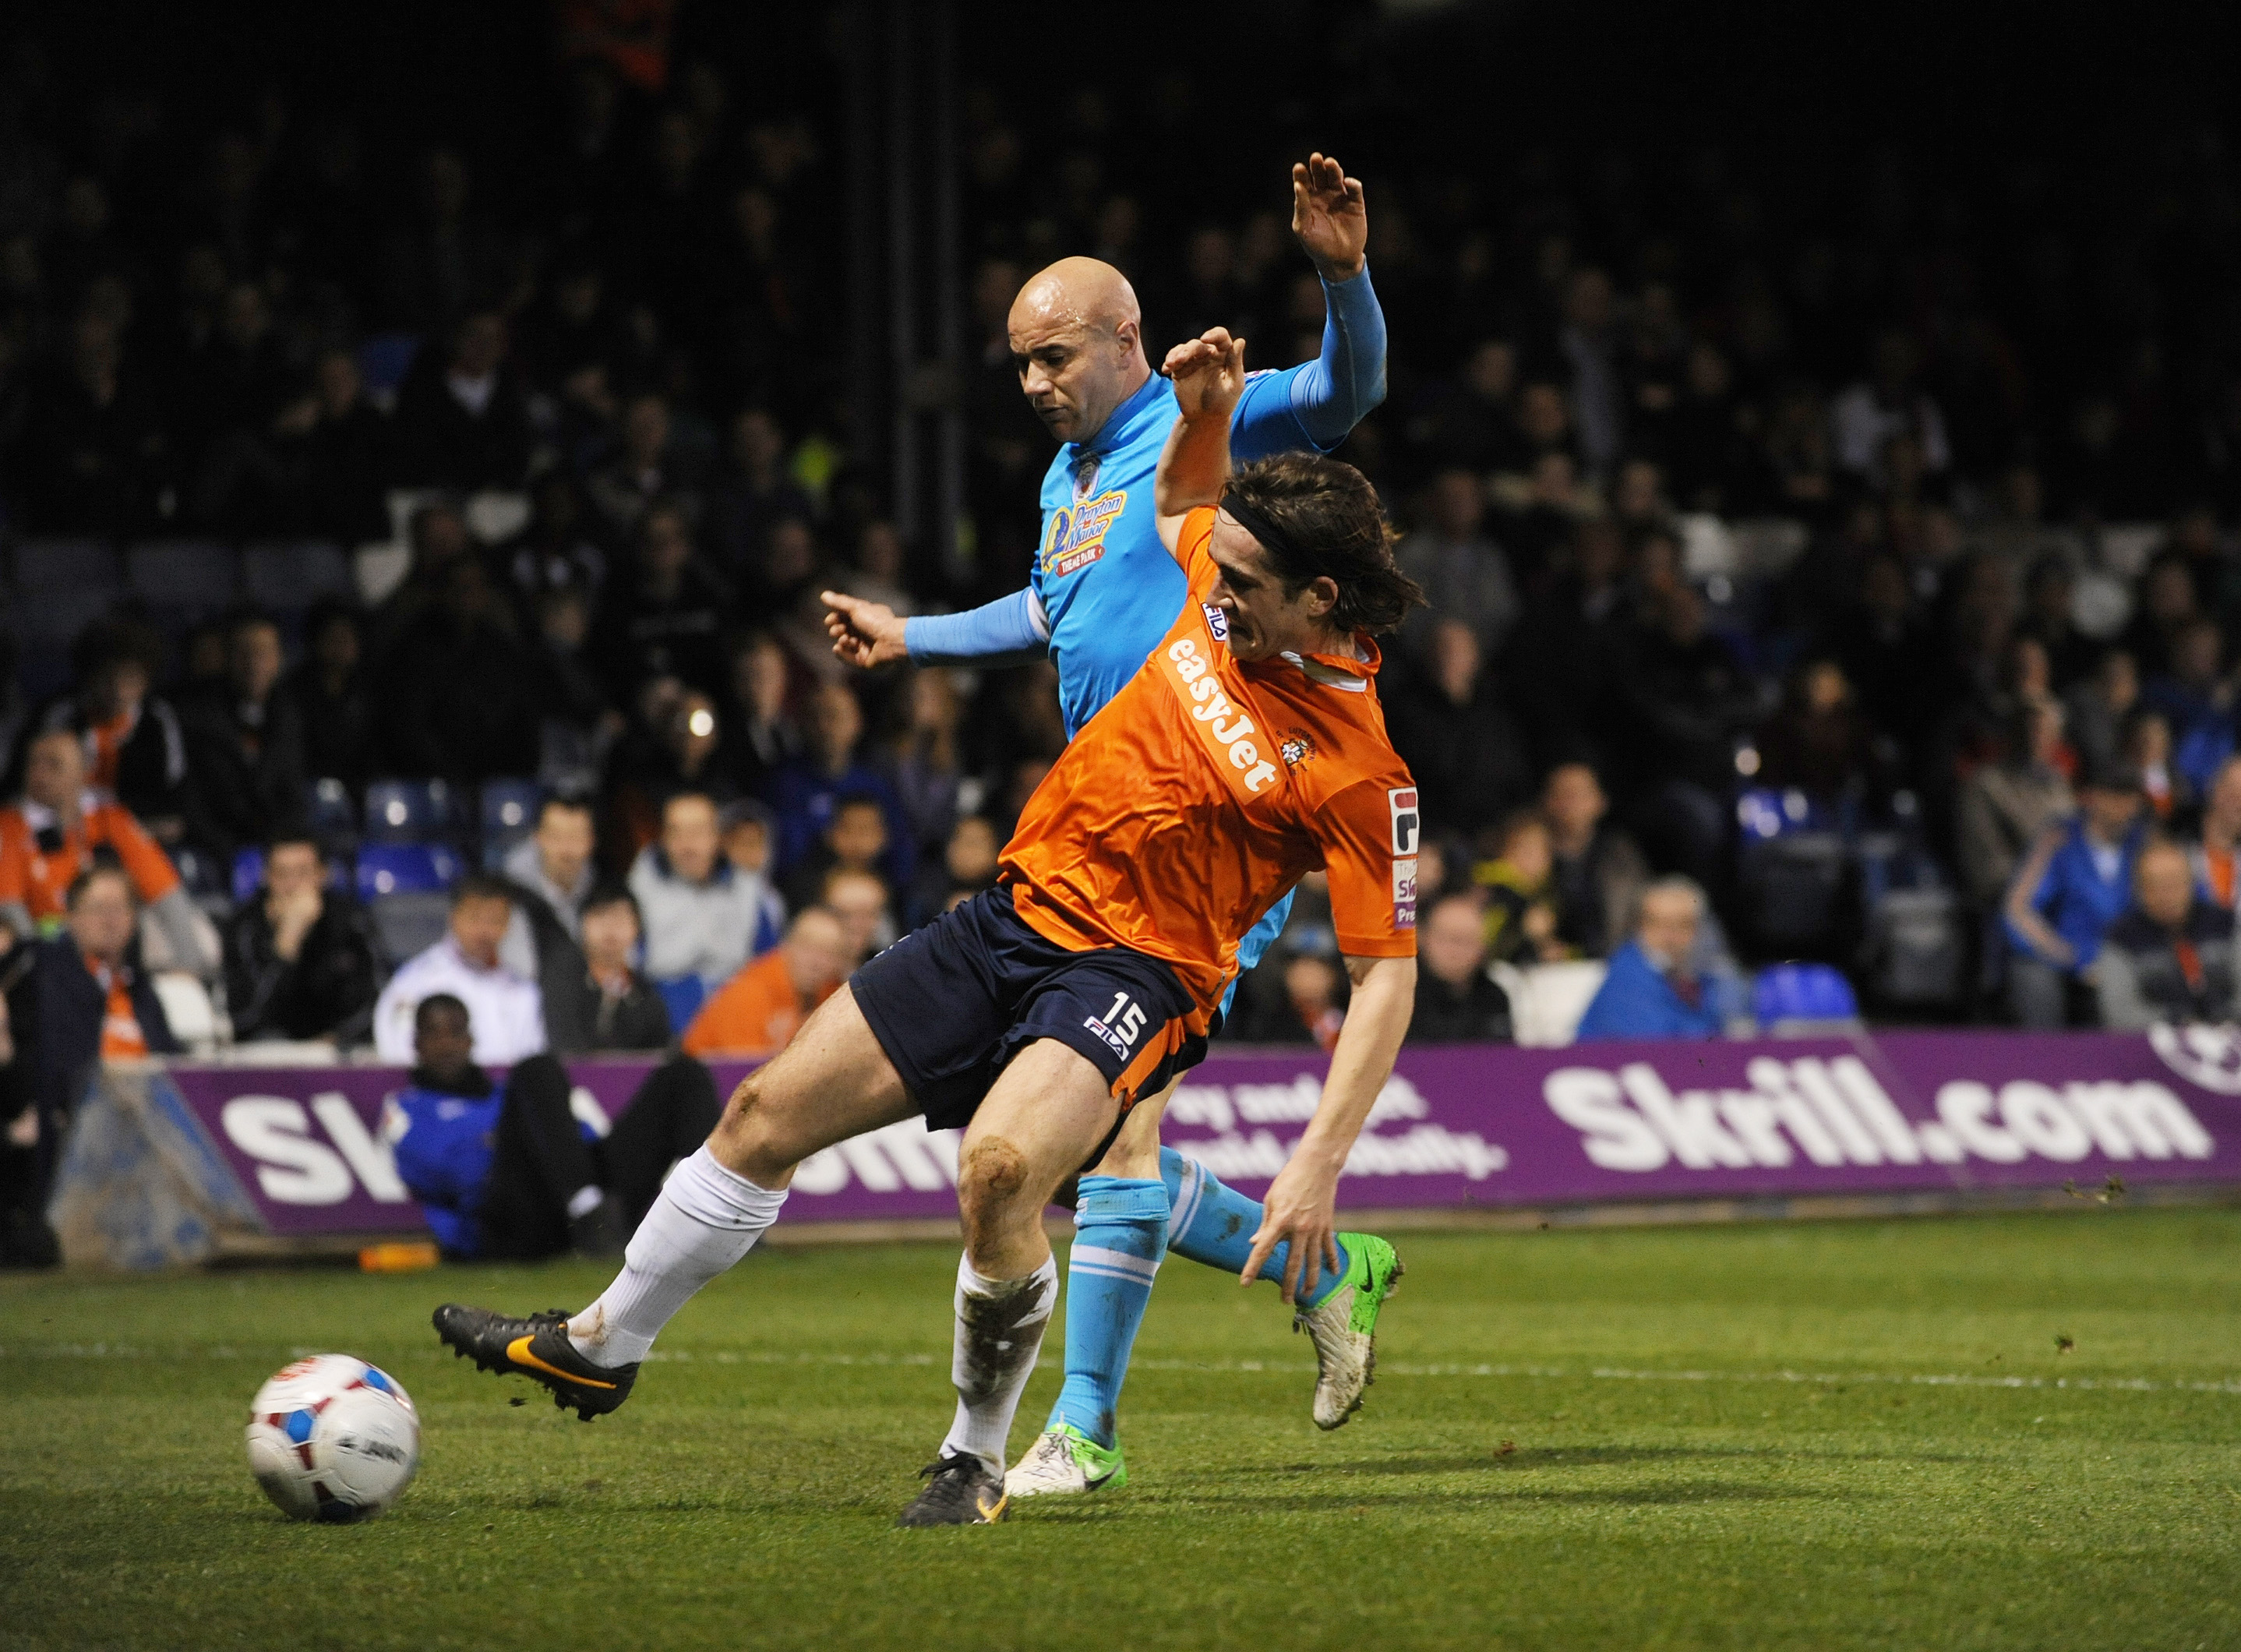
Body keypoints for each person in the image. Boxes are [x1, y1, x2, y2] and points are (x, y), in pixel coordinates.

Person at [435, 323, 1421, 1530]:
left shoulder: (1361, 774)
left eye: (1245, 591)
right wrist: (1208, 411)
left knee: (1003, 1170)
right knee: (759, 1118)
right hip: (1010, 916)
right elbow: (1181, 499)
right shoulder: (1223, 580)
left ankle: (975, 1456)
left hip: (1138, 971)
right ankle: (601, 1343)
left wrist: (1314, 1165)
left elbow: (1385, 981)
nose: (1212, 596)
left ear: (1320, 598)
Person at [809, 155, 1399, 1492]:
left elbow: (1350, 391)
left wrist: (1341, 275)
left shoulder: (1210, 430)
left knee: (1106, 1139)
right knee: (1085, 1154)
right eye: (1017, 364)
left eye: (1053, 356)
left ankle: (1084, 1432)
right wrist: (917, 636)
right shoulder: (1069, 481)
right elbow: (1046, 610)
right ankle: (1333, 1270)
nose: (1033, 384)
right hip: (1096, 825)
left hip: (1205, 840)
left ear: (1126, 338)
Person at [386, 994, 718, 1262]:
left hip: (572, 1198)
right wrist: (516, 1144)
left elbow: (579, 1138)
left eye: (456, 1032)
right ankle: (588, 1211)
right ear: (416, 1043)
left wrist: (542, 1148)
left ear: (471, 1040)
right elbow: (455, 1175)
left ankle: (719, 1218)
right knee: (536, 1067)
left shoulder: (506, 1094)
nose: (447, 1045)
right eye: (434, 1033)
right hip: (509, 1224)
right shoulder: (409, 1109)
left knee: (683, 1075)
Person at [2, 866, 179, 1265]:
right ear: (71, 917)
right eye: (98, 907)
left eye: (120, 908)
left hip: (146, 1138)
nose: (110, 919)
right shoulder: (42, 970)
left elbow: (172, 1067)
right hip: (67, 1136)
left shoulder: (142, 992)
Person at [0, 729, 210, 976]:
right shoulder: (11, 826)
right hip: (50, 958)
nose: (39, 774)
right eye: (33, 763)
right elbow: (11, 913)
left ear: (83, 774)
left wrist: (190, 967)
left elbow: (166, 894)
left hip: (119, 956)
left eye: (53, 765)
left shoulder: (109, 819)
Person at [2003, 763, 2151, 1029]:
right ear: (2094, 797)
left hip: (2128, 959)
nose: (2125, 807)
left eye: (2131, 799)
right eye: (2115, 796)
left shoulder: (2144, 845)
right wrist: (2070, 956)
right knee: (2034, 980)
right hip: (2066, 959)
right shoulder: (2058, 840)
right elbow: (2018, 911)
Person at [222, 834, 380, 1044]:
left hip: (339, 1050)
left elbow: (378, 1001)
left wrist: (336, 1040)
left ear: (322, 875)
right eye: (282, 874)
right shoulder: (243, 927)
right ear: (266, 877)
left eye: (302, 873)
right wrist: (286, 945)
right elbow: (245, 1019)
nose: (292, 885)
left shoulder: (352, 921)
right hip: (268, 1053)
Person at [180, 610, 310, 863]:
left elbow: (293, 797)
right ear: (227, 658)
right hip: (216, 852)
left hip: (273, 851)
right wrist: (234, 856)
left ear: (279, 660)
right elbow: (194, 803)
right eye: (244, 653)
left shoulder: (291, 715)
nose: (253, 664)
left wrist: (274, 853)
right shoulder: (197, 717)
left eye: (263, 653)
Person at [371, 876, 545, 1064]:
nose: (484, 931)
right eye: (475, 918)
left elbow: (531, 1062)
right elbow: (398, 1056)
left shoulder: (524, 992)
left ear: (509, 923)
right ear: (454, 916)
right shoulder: (415, 983)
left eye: (495, 920)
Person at [628, 792, 783, 996]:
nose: (687, 845)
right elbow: (627, 968)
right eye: (677, 833)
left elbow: (769, 965)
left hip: (733, 1006)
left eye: (697, 832)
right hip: (660, 1007)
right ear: (663, 838)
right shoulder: (638, 889)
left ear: (716, 837)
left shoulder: (749, 891)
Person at [2096, 839, 2241, 1029]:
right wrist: (2178, 1022)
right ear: (2138, 890)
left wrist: (2224, 1021)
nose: (2166, 895)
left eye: (2174, 882)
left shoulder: (2224, 924)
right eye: (2155, 885)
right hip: (2150, 1048)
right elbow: (2120, 1013)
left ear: (2190, 882)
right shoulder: (2122, 937)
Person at [680, 906, 852, 1058]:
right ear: (787, 946)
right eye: (807, 947)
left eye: (828, 953)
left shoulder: (832, 995)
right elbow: (744, 1076)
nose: (816, 963)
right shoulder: (748, 993)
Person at [1574, 877, 1727, 1042]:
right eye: (1658, 923)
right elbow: (1662, 1046)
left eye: (1682, 925)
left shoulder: (1701, 974)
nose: (1670, 936)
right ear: (1640, 925)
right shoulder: (1626, 975)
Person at [545, 885, 672, 1054]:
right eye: (601, 916)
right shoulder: (562, 982)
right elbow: (564, 1048)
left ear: (636, 928)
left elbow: (657, 1057)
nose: (610, 928)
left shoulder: (646, 997)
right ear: (582, 924)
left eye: (619, 918)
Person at [1540, 762, 1649, 959]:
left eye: (1580, 794)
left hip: (1612, 961)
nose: (1571, 803)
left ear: (1600, 802)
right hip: (1547, 967)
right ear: (1548, 801)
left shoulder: (1620, 854)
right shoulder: (1529, 851)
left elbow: (1637, 912)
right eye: (1564, 794)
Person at [1410, 891, 1511, 1043]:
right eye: (1448, 939)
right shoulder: (1404, 994)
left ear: (1483, 947)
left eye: (1467, 941)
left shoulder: (1494, 997)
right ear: (1423, 938)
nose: (1456, 951)